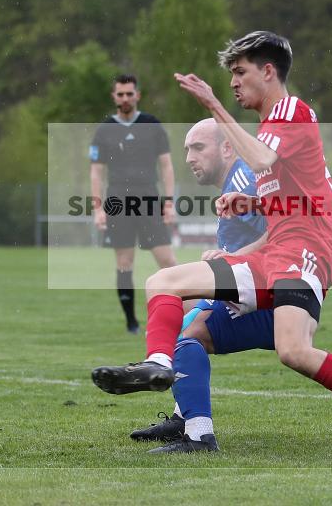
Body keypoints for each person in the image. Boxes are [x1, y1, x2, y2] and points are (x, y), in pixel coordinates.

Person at [92, 31, 332, 460]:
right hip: (276, 255)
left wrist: (213, 106)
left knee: (294, 350)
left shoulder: (290, 111)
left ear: (268, 71)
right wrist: (253, 201)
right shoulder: (273, 126)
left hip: (304, 255)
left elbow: (261, 162)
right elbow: (308, 192)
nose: (234, 82)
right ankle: (161, 368)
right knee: (165, 281)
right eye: (231, 75)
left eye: (240, 71)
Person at [130, 118, 273, 453]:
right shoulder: (236, 180)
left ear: (226, 148)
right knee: (181, 327)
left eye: (198, 147)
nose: (190, 157)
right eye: (186, 150)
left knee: (184, 333)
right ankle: (184, 417)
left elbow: (283, 232)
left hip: (272, 300)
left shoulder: (244, 178)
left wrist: (233, 257)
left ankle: (198, 434)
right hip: (256, 292)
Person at [89, 74, 177, 333]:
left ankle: (185, 317)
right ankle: (131, 322)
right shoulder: (104, 130)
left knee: (168, 261)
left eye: (130, 93)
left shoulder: (152, 124)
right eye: (120, 94)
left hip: (149, 197)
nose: (125, 98)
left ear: (137, 95)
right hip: (117, 199)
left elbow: (166, 165)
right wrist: (97, 208)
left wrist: (169, 202)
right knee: (124, 263)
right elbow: (96, 172)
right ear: (113, 96)